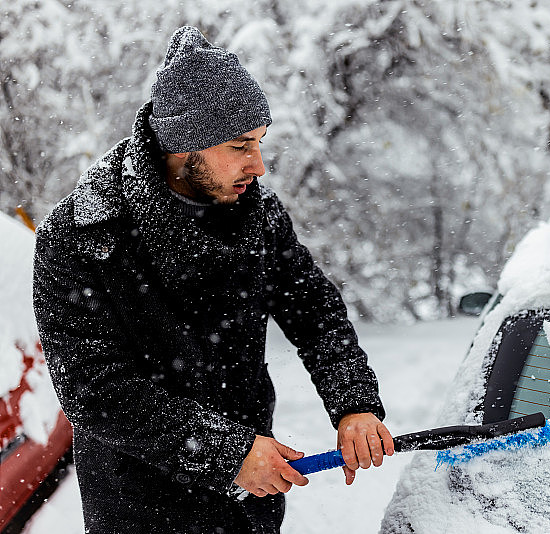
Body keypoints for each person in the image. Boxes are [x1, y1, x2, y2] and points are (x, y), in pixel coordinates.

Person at [32, 26, 393, 534]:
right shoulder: (82, 235)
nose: (259, 166)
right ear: (184, 146)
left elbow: (314, 312)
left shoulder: (256, 215)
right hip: (137, 507)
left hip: (249, 505)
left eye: (260, 144)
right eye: (241, 146)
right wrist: (228, 455)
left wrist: (353, 403)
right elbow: (94, 392)